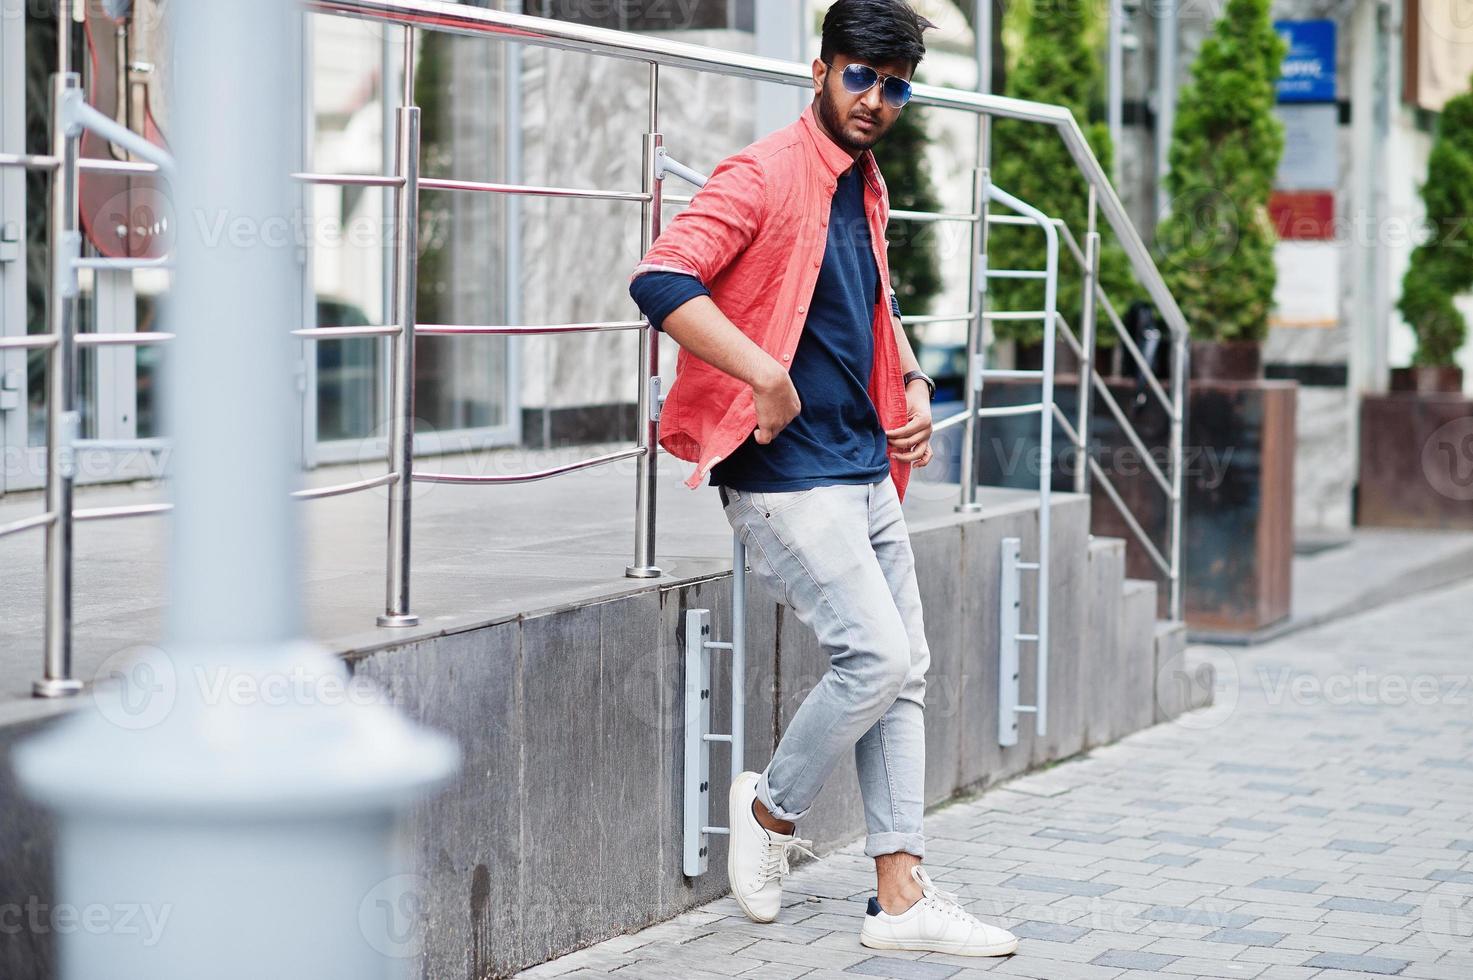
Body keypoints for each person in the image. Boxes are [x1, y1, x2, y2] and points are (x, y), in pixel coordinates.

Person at [628, 0, 1018, 958]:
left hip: (864, 460)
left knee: (906, 674)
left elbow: (872, 308)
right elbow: (661, 279)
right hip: (784, 473)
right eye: (861, 78)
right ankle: (769, 816)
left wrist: (918, 380)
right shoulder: (763, 172)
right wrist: (761, 373)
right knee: (876, 659)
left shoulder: (864, 185)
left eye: (895, 87)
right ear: (820, 70)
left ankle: (901, 898)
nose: (877, 101)